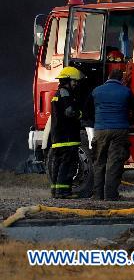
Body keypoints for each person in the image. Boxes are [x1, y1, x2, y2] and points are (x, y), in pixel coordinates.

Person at [89, 68, 134, 201]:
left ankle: (97, 195)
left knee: (99, 162)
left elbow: (87, 110)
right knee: (114, 163)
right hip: (119, 130)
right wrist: (132, 121)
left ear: (108, 77)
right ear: (121, 79)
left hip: (100, 130)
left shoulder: (96, 91)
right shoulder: (126, 91)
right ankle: (111, 196)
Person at [48, 67, 85, 199]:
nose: (76, 84)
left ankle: (56, 191)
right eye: (74, 81)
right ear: (68, 80)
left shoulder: (57, 94)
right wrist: (80, 114)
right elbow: (69, 112)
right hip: (67, 136)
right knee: (68, 164)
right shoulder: (65, 93)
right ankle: (63, 192)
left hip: (58, 137)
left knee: (57, 164)